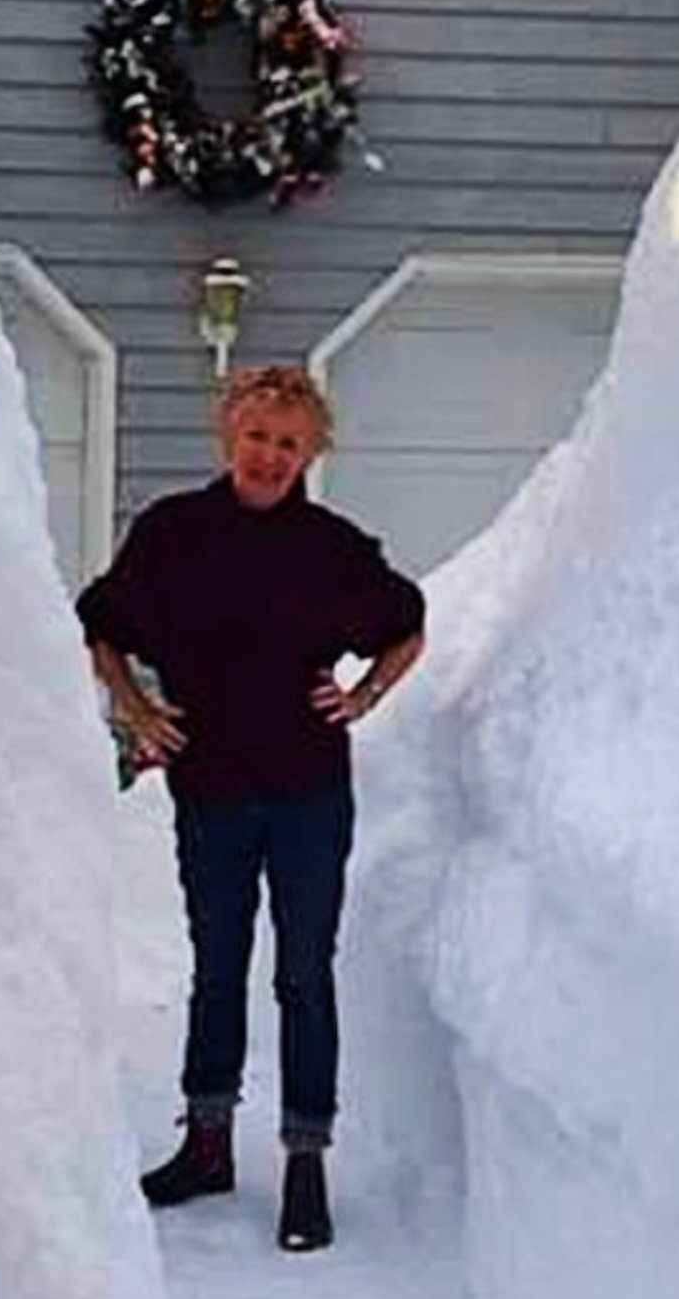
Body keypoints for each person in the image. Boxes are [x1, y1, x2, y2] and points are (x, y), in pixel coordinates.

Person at [76, 365, 425, 1252]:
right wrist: (136, 708)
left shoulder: (332, 549)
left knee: (304, 972)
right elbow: (102, 624)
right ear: (228, 433)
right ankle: (206, 1143)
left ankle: (305, 1163)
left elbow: (407, 623)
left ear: (311, 454)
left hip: (310, 794)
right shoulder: (173, 535)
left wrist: (367, 696)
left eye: (290, 443)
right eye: (259, 435)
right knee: (218, 965)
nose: (271, 456)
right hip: (212, 794)